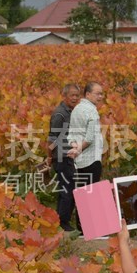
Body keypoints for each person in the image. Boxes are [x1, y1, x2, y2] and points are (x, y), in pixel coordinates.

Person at [67, 81, 104, 233]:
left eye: (102, 93)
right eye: (97, 93)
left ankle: (82, 230)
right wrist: (79, 150)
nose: (100, 97)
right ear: (88, 94)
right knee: (91, 195)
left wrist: (75, 150)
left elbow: (72, 134)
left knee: (82, 193)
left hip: (79, 161)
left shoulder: (76, 109)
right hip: (91, 158)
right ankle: (93, 230)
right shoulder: (92, 112)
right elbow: (89, 138)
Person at [47, 84, 81, 232]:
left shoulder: (71, 112)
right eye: (71, 95)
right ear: (64, 96)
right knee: (68, 189)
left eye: (76, 95)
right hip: (61, 157)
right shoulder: (60, 114)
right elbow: (51, 138)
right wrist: (50, 157)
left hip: (68, 156)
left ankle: (60, 220)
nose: (74, 98)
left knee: (65, 188)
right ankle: (63, 222)